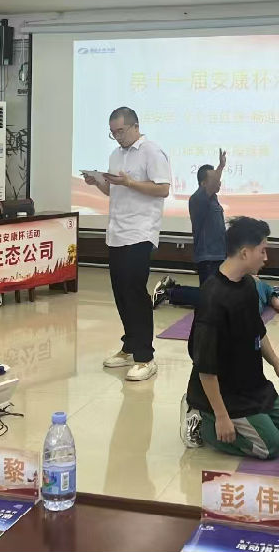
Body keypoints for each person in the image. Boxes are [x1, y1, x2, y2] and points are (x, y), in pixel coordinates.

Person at [181, 216, 279, 458]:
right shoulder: (213, 298)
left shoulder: (248, 285)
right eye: (262, 251)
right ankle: (201, 418)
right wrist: (222, 416)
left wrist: (276, 363)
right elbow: (205, 367)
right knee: (270, 447)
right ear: (245, 253)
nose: (266, 258)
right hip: (224, 392)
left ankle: (230, 417)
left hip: (251, 384)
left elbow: (257, 330)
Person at [83, 106, 172, 382]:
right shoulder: (115, 154)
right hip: (117, 232)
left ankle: (146, 357)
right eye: (113, 133)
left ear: (135, 126)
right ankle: (130, 346)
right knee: (121, 292)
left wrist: (131, 182)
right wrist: (97, 182)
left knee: (135, 292)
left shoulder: (152, 152)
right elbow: (114, 190)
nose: (117, 137)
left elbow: (163, 189)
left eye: (120, 131)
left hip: (140, 232)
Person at [151, 152, 279, 316]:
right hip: (208, 256)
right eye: (214, 179)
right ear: (203, 183)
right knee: (210, 296)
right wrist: (221, 166)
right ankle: (171, 291)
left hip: (220, 254)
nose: (219, 182)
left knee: (216, 294)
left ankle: (172, 290)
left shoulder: (214, 200)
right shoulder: (197, 199)